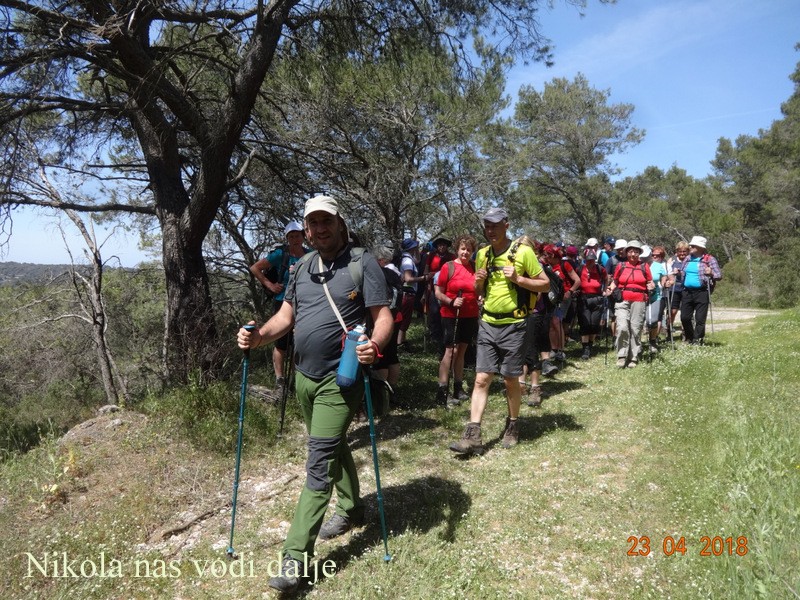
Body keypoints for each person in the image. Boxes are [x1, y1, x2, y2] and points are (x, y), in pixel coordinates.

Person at [237, 195, 393, 593]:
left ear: (340, 223)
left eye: (327, 221)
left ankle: (294, 559)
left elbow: (383, 317)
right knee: (333, 443)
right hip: (303, 378)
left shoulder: (362, 263)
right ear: (306, 229)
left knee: (318, 460)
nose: (320, 229)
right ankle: (354, 508)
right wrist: (257, 339)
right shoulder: (302, 265)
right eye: (313, 223)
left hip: (340, 380)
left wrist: (373, 346)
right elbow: (286, 317)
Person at [449, 208, 549, 455]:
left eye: (495, 225)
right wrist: (479, 281)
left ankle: (513, 424)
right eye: (487, 226)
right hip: (488, 323)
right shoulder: (482, 254)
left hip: (515, 325)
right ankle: (473, 433)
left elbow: (545, 284)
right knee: (482, 378)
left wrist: (519, 279)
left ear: (506, 224)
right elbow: (478, 290)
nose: (490, 230)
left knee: (510, 379)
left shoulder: (523, 252)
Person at [249, 221, 309, 394]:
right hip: (282, 302)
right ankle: (280, 381)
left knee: (300, 342)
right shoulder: (280, 255)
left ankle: (299, 379)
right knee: (281, 343)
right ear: (287, 239)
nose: (294, 239)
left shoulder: (311, 254)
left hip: (305, 303)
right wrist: (270, 285)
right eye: (291, 237)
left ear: (303, 236)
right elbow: (255, 268)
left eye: (297, 235)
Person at [434, 235, 479, 407]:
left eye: (469, 249)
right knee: (450, 352)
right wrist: (451, 301)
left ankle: (458, 388)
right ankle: (442, 391)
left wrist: (480, 296)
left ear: (472, 252)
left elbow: (478, 289)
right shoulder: (449, 267)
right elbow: (438, 292)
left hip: (470, 314)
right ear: (457, 249)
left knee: (462, 351)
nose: (465, 252)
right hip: (450, 314)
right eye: (462, 248)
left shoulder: (475, 267)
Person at [604, 240, 654, 368]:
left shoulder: (644, 266)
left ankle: (634, 356)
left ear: (639, 253)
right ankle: (621, 355)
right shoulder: (621, 266)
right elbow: (615, 281)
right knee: (622, 326)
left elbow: (650, 281)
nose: (633, 254)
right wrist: (610, 289)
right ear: (626, 253)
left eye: (636, 252)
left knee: (635, 328)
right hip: (622, 299)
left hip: (639, 299)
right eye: (631, 251)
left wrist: (651, 286)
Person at [673, 235, 722, 345]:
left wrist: (711, 273)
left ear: (700, 247)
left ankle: (697, 340)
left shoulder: (709, 259)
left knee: (700, 319)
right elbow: (683, 274)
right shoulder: (688, 258)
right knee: (685, 318)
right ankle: (690, 337)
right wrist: (679, 273)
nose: (690, 246)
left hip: (702, 292)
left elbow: (718, 275)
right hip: (687, 291)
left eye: (693, 245)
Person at [425, 237, 456, 352]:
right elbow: (426, 272)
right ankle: (435, 337)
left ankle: (446, 336)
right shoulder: (431, 256)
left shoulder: (452, 257)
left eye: (444, 245)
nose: (442, 247)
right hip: (433, 289)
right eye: (439, 245)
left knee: (446, 313)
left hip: (448, 289)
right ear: (436, 246)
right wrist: (432, 275)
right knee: (434, 312)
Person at [397, 238, 428, 351]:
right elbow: (408, 278)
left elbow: (418, 261)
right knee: (404, 318)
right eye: (415, 247)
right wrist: (424, 278)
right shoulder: (407, 261)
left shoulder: (407, 258)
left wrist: (417, 250)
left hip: (407, 293)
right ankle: (399, 344)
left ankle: (403, 341)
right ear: (412, 248)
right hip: (407, 293)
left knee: (406, 317)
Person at [576, 250, 607, 360]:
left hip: (597, 298)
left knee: (594, 324)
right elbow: (575, 280)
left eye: (592, 260)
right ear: (585, 260)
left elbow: (606, 278)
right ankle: (585, 349)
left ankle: (590, 345)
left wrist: (604, 289)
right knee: (585, 323)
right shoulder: (580, 269)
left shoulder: (600, 269)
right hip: (583, 298)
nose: (590, 262)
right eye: (588, 260)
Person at [644, 245, 668, 352]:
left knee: (652, 320)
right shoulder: (638, 265)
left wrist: (664, 283)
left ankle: (652, 340)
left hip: (655, 296)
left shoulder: (658, 266)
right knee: (639, 321)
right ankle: (637, 343)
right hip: (639, 296)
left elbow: (664, 277)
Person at [666, 241, 689, 340]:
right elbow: (666, 271)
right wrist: (672, 275)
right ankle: (669, 330)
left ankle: (685, 332)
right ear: (677, 251)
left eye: (684, 251)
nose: (682, 253)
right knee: (672, 311)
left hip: (686, 288)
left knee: (685, 312)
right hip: (674, 288)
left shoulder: (690, 260)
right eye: (680, 251)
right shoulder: (672, 260)